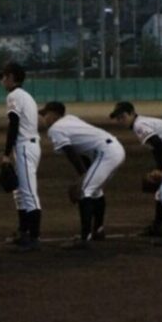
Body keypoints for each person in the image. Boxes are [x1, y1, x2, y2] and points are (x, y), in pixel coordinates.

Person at [40, 102, 126, 250]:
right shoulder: (70, 119)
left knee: (84, 191)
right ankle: (98, 230)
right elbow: (81, 152)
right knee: (95, 190)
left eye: (45, 114)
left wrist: (82, 177)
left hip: (106, 153)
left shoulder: (56, 128)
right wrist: (85, 174)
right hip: (113, 149)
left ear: (54, 114)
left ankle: (85, 238)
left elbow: (70, 153)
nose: (43, 118)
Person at [110, 101, 162, 246]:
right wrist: (160, 168)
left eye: (122, 116)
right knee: (160, 193)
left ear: (132, 113)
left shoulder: (139, 125)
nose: (120, 120)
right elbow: (157, 147)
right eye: (118, 118)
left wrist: (160, 169)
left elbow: (158, 145)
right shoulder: (141, 123)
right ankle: (157, 227)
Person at [0, 62, 42, 252]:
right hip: (27, 146)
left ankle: (34, 237)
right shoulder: (26, 96)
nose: (1, 80)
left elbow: (13, 124)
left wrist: (6, 154)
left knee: (28, 193)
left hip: (25, 147)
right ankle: (23, 232)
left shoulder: (14, 95)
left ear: (10, 77)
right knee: (20, 193)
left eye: (3, 76)